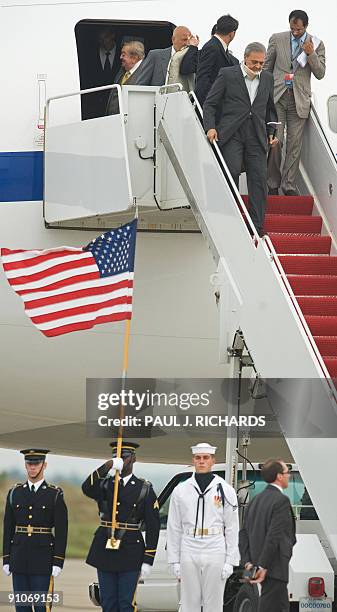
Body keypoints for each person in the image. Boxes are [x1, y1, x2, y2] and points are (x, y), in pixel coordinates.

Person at [203, 42, 279, 237]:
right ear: (245, 58)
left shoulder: (267, 78)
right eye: (254, 62)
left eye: (261, 63)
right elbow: (210, 103)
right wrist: (210, 127)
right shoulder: (228, 74)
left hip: (257, 134)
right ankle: (230, 219)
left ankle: (257, 226)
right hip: (231, 133)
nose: (258, 66)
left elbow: (270, 109)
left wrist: (272, 132)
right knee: (232, 172)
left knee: (259, 179)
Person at [82, 441, 160, 612]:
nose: (120, 461)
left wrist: (148, 560)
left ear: (133, 458)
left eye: (123, 457)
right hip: (105, 550)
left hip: (131, 552)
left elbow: (154, 527)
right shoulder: (104, 484)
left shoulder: (144, 489)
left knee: (125, 604)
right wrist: (107, 466)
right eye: (115, 457)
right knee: (108, 603)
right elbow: (86, 487)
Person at [166, 443, 239, 612]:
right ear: (193, 460)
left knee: (213, 602)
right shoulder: (181, 490)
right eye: (198, 458)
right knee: (188, 602)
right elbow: (174, 527)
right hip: (189, 545)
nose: (201, 461)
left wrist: (230, 561)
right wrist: (174, 560)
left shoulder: (225, 490)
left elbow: (232, 527)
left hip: (215, 545)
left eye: (206, 458)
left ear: (213, 460)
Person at [264, 10, 326, 195]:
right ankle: (272, 184)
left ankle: (289, 185)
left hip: (299, 99)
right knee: (276, 141)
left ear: (305, 27)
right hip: (277, 97)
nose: (295, 32)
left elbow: (320, 73)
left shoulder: (317, 44)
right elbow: (267, 68)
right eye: (292, 28)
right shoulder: (277, 38)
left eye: (298, 30)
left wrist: (311, 54)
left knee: (294, 145)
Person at [2, 449, 68, 612]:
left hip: (43, 559)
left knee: (41, 607)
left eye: (36, 463)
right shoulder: (15, 493)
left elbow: (61, 531)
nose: (32, 467)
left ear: (44, 465)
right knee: (22, 607)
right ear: (25, 465)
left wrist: (58, 560)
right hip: (19, 558)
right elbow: (8, 527)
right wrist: (6, 558)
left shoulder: (54, 494)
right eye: (29, 464)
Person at [239, 458, 296, 612]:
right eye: (287, 472)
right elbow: (274, 536)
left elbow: (243, 534)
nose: (289, 476)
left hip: (259, 566)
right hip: (274, 568)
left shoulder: (255, 501)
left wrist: (248, 563)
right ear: (279, 476)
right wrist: (263, 566)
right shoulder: (281, 501)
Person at [185, 14, 239, 107]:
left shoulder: (218, 47)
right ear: (232, 33)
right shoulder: (212, 47)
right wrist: (207, 108)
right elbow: (203, 79)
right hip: (210, 107)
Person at [136, 26, 199, 90]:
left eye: (189, 40)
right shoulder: (155, 56)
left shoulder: (193, 59)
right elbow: (141, 85)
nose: (187, 43)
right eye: (184, 40)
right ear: (173, 39)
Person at [82, 28, 120, 119]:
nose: (103, 42)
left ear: (112, 35)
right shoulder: (89, 54)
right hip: (93, 107)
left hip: (115, 106)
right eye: (100, 39)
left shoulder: (122, 54)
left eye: (106, 37)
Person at [106, 41, 145, 115]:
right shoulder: (122, 70)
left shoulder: (144, 74)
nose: (120, 57)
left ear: (134, 58)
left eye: (123, 54)